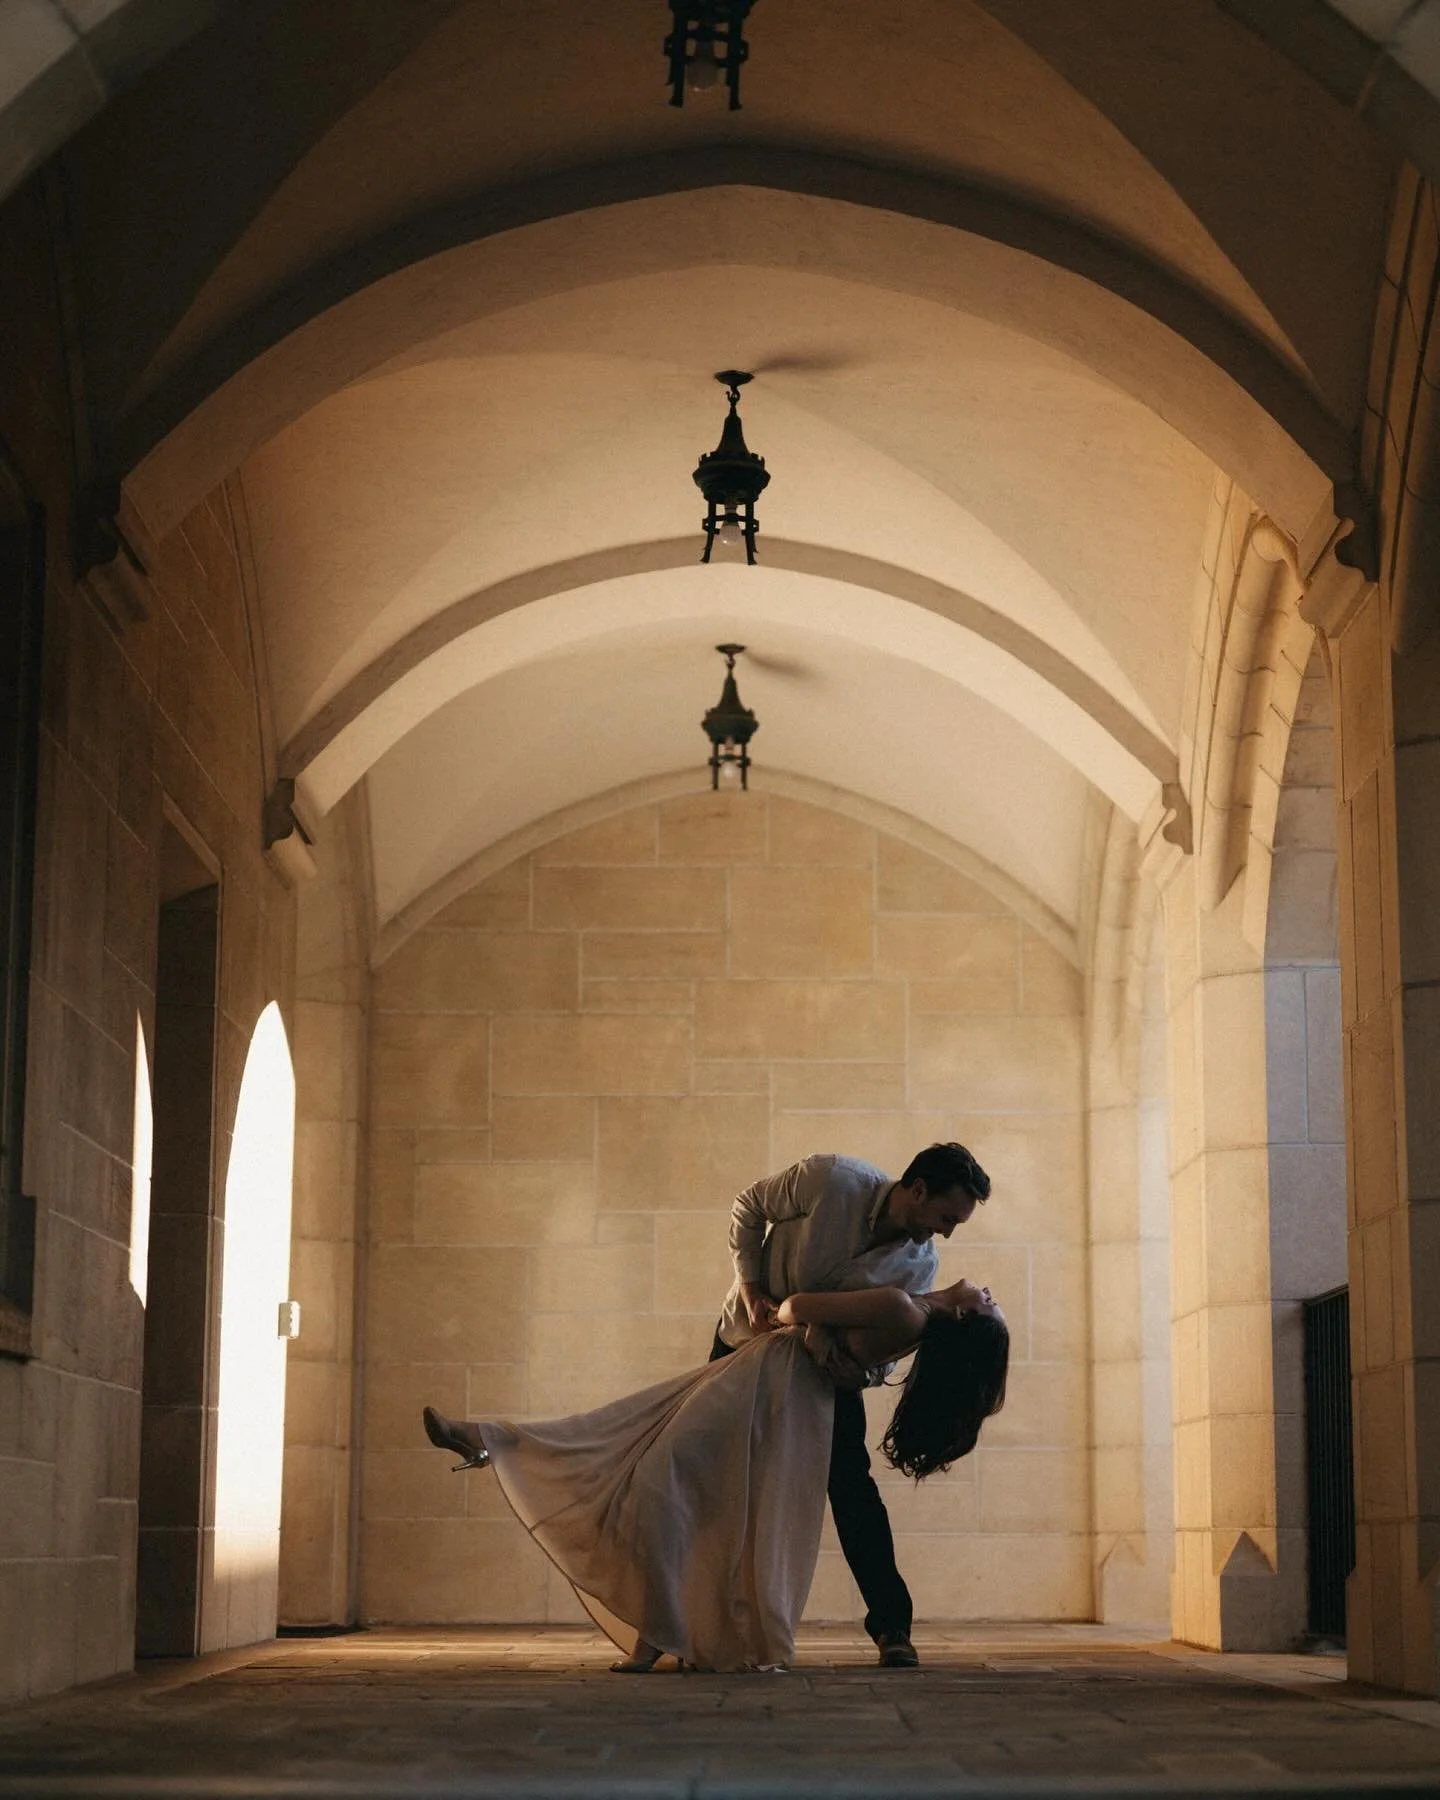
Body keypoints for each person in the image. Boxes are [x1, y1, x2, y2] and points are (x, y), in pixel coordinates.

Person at [422, 1274, 1008, 1674]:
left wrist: (797, 1319)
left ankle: (494, 1443)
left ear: (962, 1316)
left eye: (989, 1302)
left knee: (653, 1464)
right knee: (662, 1463)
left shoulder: (902, 1308)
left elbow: (796, 1307)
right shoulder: (914, 1319)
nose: (988, 1290)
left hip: (769, 1378)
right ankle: (490, 1441)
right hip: (785, 1395)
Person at [711, 1144, 991, 1669]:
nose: (946, 1234)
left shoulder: (919, 1264)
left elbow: (882, 1349)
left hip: (821, 1373)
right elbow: (748, 1206)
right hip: (744, 1338)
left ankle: (892, 1627)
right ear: (918, 1189)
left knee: (851, 1488)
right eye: (946, 1218)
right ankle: (678, 1622)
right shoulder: (831, 1179)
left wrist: (858, 1373)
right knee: (712, 1478)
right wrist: (750, 1288)